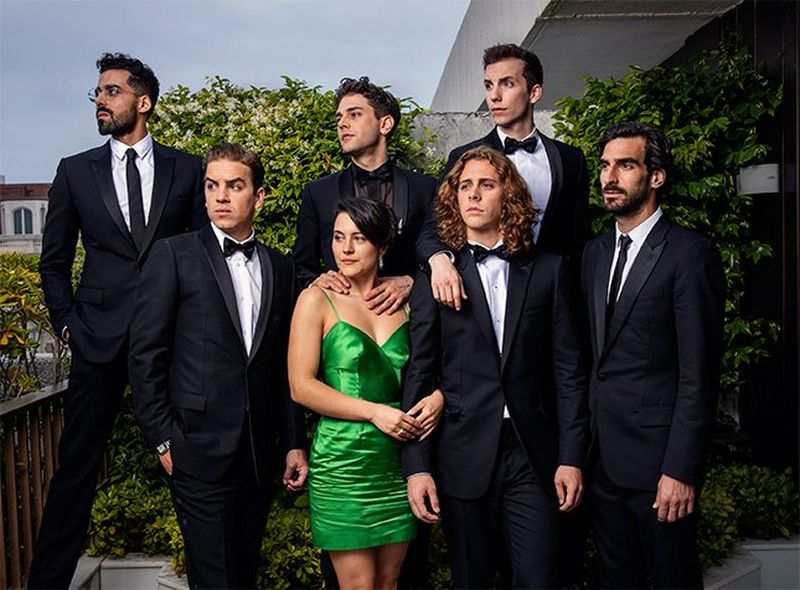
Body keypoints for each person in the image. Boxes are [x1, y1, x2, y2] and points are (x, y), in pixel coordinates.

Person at [30, 52, 207, 589]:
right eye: (98, 94)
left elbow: (204, 254)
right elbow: (54, 263)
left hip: (170, 343)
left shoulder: (188, 169)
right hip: (97, 342)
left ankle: (209, 577)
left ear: (143, 101)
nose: (99, 102)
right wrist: (68, 326)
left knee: (190, 470)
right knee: (75, 472)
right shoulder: (75, 171)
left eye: (111, 92)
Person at [402, 147, 590, 589]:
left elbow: (569, 372)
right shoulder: (438, 276)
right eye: (464, 186)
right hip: (461, 454)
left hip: (532, 454)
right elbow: (419, 371)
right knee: (471, 581)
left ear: (508, 193)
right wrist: (416, 466)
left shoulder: (550, 270)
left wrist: (571, 457)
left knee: (538, 579)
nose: (473, 194)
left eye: (486, 184)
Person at [129, 143, 308, 588]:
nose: (221, 196)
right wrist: (163, 439)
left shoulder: (281, 268)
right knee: (215, 580)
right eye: (212, 186)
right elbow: (145, 354)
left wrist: (292, 442)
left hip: (258, 455)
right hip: (196, 450)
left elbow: (284, 366)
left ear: (259, 196)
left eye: (234, 186)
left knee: (244, 573)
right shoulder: (174, 255)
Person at [581, 122, 725, 588]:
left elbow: (698, 374)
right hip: (601, 461)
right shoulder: (594, 254)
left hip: (659, 467)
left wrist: (680, 471)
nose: (610, 177)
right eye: (605, 165)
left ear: (656, 176)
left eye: (625, 165)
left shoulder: (690, 254)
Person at [289, 197, 444, 590]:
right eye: (338, 237)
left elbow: (440, 366)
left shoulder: (408, 302)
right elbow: (301, 386)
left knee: (390, 583)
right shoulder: (315, 299)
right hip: (344, 462)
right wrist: (375, 412)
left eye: (358, 239)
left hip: (399, 461)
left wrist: (439, 396)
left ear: (383, 247)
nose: (345, 249)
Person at [293, 76, 464, 314]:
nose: (342, 123)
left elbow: (443, 250)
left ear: (385, 124)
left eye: (354, 114)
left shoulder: (425, 188)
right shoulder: (318, 193)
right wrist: (316, 281)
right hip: (343, 322)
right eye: (339, 117)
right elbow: (301, 267)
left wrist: (412, 281)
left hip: (412, 323)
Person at [443, 43, 591, 264]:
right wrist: (439, 261)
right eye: (488, 85)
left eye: (507, 84)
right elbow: (440, 225)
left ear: (534, 93)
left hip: (553, 291)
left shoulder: (570, 159)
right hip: (486, 287)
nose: (494, 96)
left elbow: (579, 236)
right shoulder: (464, 157)